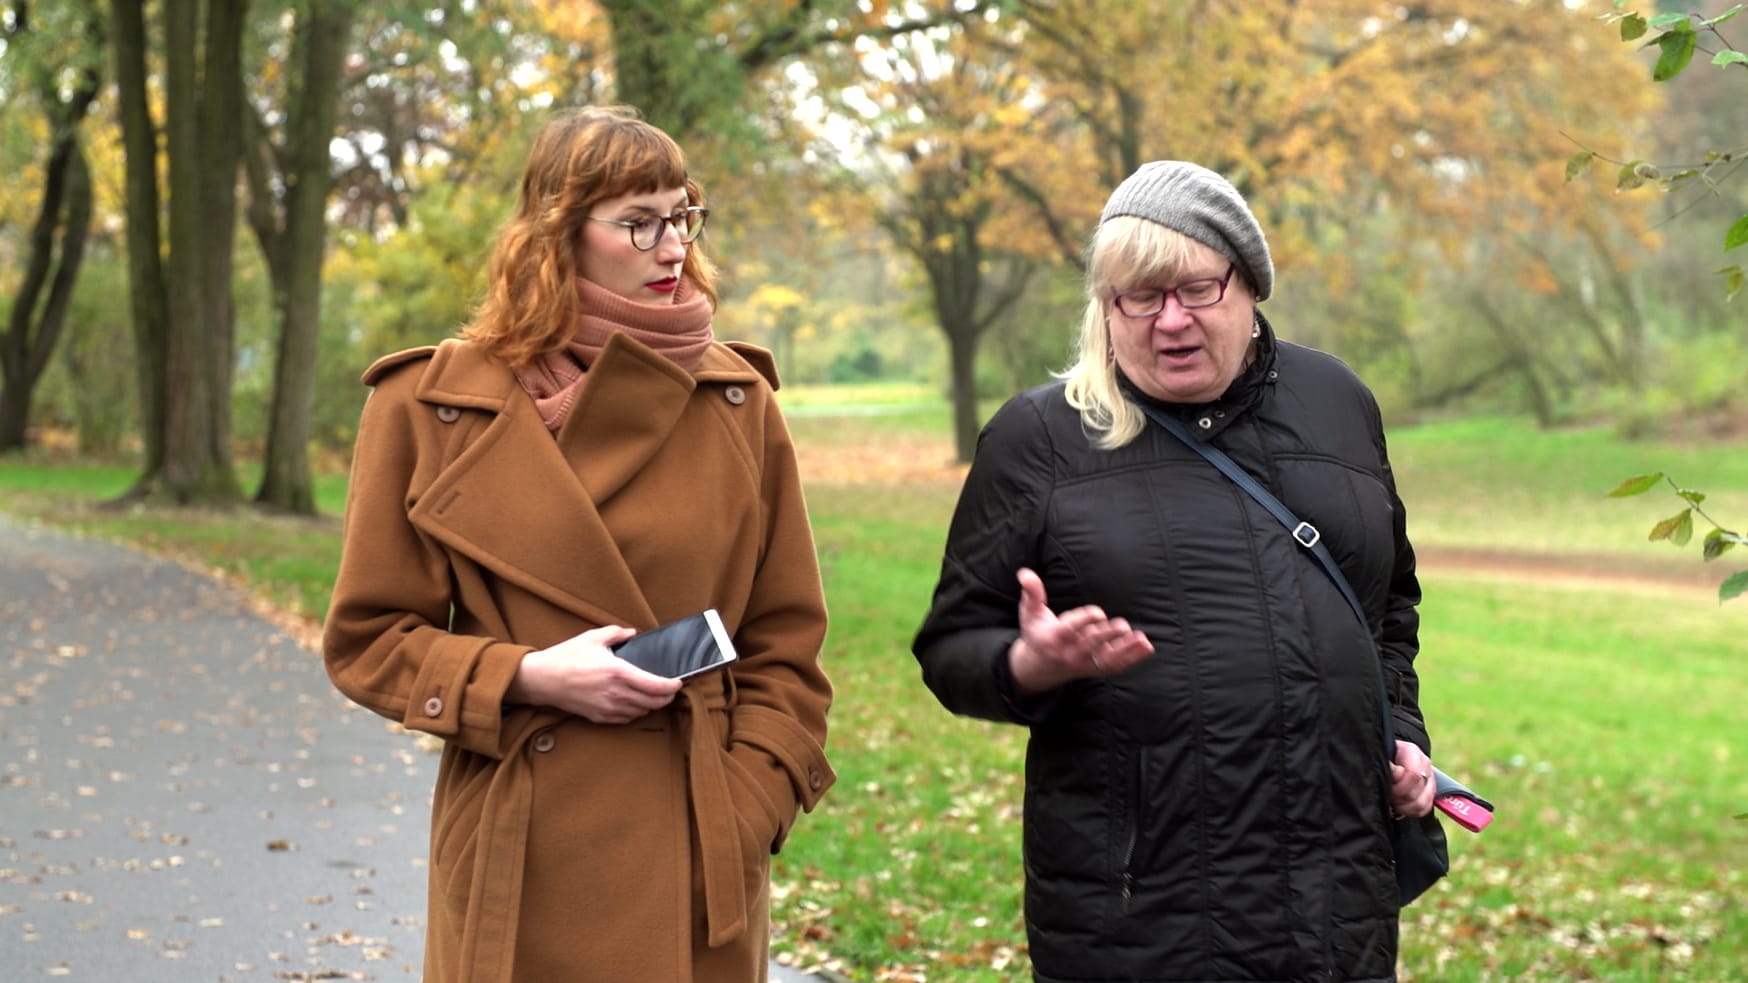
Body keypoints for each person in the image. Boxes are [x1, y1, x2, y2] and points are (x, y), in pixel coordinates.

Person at [322, 105, 834, 983]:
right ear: (557, 235)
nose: (672, 247)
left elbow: (787, 646)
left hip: (690, 847)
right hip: (519, 848)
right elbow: (369, 641)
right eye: (638, 223)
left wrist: (746, 807)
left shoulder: (737, 400)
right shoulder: (430, 405)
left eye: (682, 214)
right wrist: (525, 676)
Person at [912, 161, 1438, 982]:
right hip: (1141, 914)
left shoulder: (1338, 401)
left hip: (1338, 897)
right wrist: (1028, 664)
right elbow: (950, 649)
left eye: (1196, 290)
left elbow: (1386, 609)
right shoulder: (1040, 439)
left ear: (1249, 286)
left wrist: (1400, 733)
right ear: (1105, 305)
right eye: (1137, 297)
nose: (1169, 322)